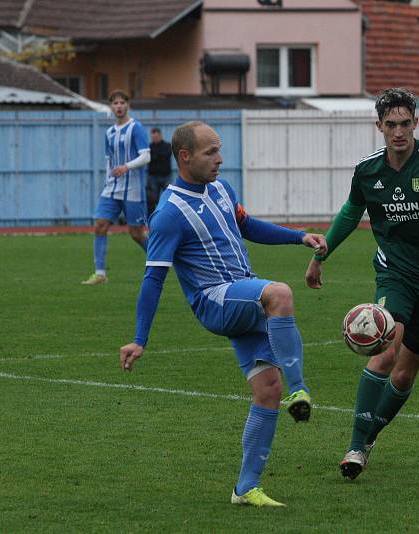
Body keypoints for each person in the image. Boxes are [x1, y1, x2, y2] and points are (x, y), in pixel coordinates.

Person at [119, 121, 327, 507]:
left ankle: (246, 488)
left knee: (267, 391)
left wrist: (299, 236)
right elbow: (153, 279)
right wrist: (140, 338)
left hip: (242, 295)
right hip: (214, 302)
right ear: (184, 157)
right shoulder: (168, 213)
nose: (220, 158)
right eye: (209, 152)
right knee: (279, 294)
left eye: (219, 150)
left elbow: (247, 226)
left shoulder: (220, 189)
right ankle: (301, 389)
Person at [305, 88, 419, 480]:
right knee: (386, 352)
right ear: (379, 126)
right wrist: (321, 256)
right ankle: (354, 446)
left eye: (405, 124)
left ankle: (368, 438)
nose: (398, 131)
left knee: (405, 374)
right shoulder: (368, 170)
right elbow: (352, 212)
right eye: (390, 125)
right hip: (394, 273)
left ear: (416, 123)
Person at [81, 90, 151, 285]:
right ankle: (100, 273)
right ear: (111, 107)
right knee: (99, 225)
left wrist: (126, 166)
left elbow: (146, 156)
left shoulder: (136, 128)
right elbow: (109, 160)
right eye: (115, 103)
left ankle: (159, 260)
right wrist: (107, 181)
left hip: (133, 188)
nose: (119, 106)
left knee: (136, 233)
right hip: (112, 188)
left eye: (122, 102)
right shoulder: (110, 132)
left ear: (128, 105)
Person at [146, 127, 172, 216]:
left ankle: (166, 216)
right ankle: (152, 218)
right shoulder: (149, 147)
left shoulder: (167, 145)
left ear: (160, 135)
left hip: (166, 176)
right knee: (152, 200)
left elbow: (166, 155)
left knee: (168, 198)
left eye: (156, 137)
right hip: (152, 177)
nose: (154, 139)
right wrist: (159, 155)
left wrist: (155, 156)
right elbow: (149, 158)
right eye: (153, 137)